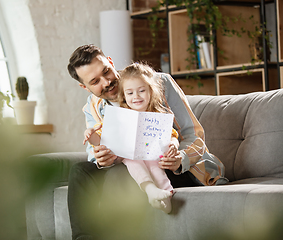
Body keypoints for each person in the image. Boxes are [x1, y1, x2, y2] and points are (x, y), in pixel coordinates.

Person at [67, 44, 227, 240]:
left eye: (106, 71)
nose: (107, 81)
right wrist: (101, 159)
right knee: (80, 171)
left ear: (110, 61)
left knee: (119, 175)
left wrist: (180, 158)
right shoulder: (92, 107)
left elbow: (195, 134)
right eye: (95, 81)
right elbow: (94, 154)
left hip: (171, 166)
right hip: (128, 164)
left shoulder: (159, 82)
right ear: (85, 87)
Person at [83, 63, 181, 214]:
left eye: (141, 91)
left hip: (152, 154)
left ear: (151, 91)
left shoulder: (158, 113)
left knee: (155, 165)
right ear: (123, 95)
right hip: (129, 155)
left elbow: (172, 135)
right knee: (132, 159)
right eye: (129, 93)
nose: (136, 96)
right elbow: (102, 140)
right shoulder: (120, 115)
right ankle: (150, 190)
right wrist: (91, 136)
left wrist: (173, 145)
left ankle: (165, 195)